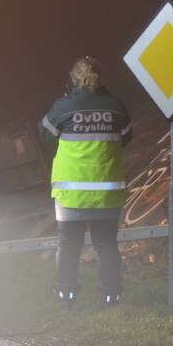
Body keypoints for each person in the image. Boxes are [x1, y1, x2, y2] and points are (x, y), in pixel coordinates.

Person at [39, 57, 132, 307]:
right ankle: (110, 296)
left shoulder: (64, 106)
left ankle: (66, 296)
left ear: (72, 80)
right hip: (107, 194)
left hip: (72, 194)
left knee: (69, 246)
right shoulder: (116, 106)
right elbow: (126, 137)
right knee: (106, 245)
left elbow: (45, 134)